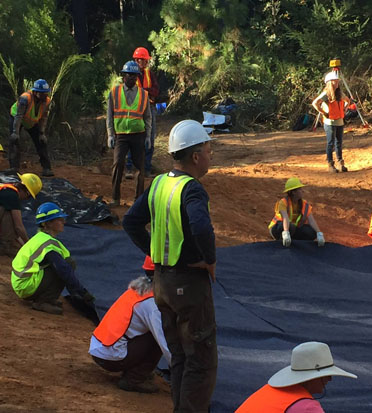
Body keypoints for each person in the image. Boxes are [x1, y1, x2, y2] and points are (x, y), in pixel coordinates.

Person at [123, 119, 217, 412]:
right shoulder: (192, 189)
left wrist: (153, 252)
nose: (210, 155)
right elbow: (201, 227)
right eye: (208, 149)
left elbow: (131, 222)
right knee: (200, 361)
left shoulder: (159, 183)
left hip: (162, 284)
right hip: (188, 285)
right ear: (195, 156)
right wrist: (210, 260)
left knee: (179, 357)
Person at [89, 255, 171, 394]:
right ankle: (134, 379)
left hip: (102, 348)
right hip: (111, 357)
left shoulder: (139, 289)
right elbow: (166, 344)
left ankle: (136, 369)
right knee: (157, 336)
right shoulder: (152, 304)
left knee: (149, 331)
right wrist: (185, 371)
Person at [11, 202, 94, 315]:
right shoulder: (47, 244)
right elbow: (64, 269)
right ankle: (43, 301)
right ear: (48, 223)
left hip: (22, 283)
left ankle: (46, 298)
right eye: (59, 220)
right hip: (26, 286)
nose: (63, 222)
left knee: (65, 265)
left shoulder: (41, 238)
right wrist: (82, 293)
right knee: (66, 266)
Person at [235, 341, 357, 412]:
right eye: (326, 375)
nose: (330, 379)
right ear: (313, 377)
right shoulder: (306, 408)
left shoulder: (269, 392)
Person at [106, 60, 152, 206]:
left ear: (138, 77)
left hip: (139, 135)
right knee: (118, 164)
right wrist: (110, 135)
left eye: (134, 76)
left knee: (140, 168)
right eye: (129, 75)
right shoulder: (114, 92)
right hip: (121, 136)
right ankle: (115, 198)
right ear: (123, 76)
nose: (131, 78)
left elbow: (148, 117)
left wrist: (149, 136)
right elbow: (109, 115)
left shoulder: (144, 95)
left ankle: (138, 200)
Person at [126, 47, 160, 179]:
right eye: (143, 60)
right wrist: (147, 92)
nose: (145, 63)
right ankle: (129, 168)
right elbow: (130, 91)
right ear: (137, 60)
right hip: (135, 110)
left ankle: (146, 169)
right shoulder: (130, 74)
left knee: (150, 139)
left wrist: (144, 91)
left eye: (146, 60)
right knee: (133, 138)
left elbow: (155, 91)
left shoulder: (149, 74)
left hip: (149, 109)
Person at [8, 79, 54, 177]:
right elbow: (19, 116)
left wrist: (42, 133)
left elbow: (44, 117)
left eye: (46, 93)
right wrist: (15, 132)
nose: (44, 95)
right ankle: (14, 168)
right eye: (42, 93)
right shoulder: (25, 98)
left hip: (32, 121)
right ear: (35, 92)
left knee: (41, 142)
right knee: (14, 141)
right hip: (17, 119)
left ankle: (47, 168)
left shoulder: (46, 101)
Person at [268, 177, 325, 248]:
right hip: (278, 228)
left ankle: (292, 242)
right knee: (291, 227)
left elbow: (311, 220)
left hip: (293, 228)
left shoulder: (304, 204)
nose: (302, 191)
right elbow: (285, 218)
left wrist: (318, 233)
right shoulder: (283, 202)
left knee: (311, 232)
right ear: (293, 192)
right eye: (300, 189)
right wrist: (286, 232)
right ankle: (282, 242)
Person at [312, 71, 350, 173]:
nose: (337, 83)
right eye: (335, 81)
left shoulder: (339, 93)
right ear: (329, 82)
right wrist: (324, 112)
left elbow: (348, 101)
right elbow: (315, 103)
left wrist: (344, 109)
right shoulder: (326, 94)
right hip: (329, 123)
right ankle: (330, 164)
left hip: (339, 122)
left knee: (339, 143)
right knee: (331, 143)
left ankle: (340, 163)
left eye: (337, 81)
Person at [0, 173, 42, 255]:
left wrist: (22, 242)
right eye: (28, 197)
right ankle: (5, 245)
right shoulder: (12, 196)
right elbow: (18, 227)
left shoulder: (6, 189)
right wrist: (29, 245)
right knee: (9, 215)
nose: (25, 200)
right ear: (27, 192)